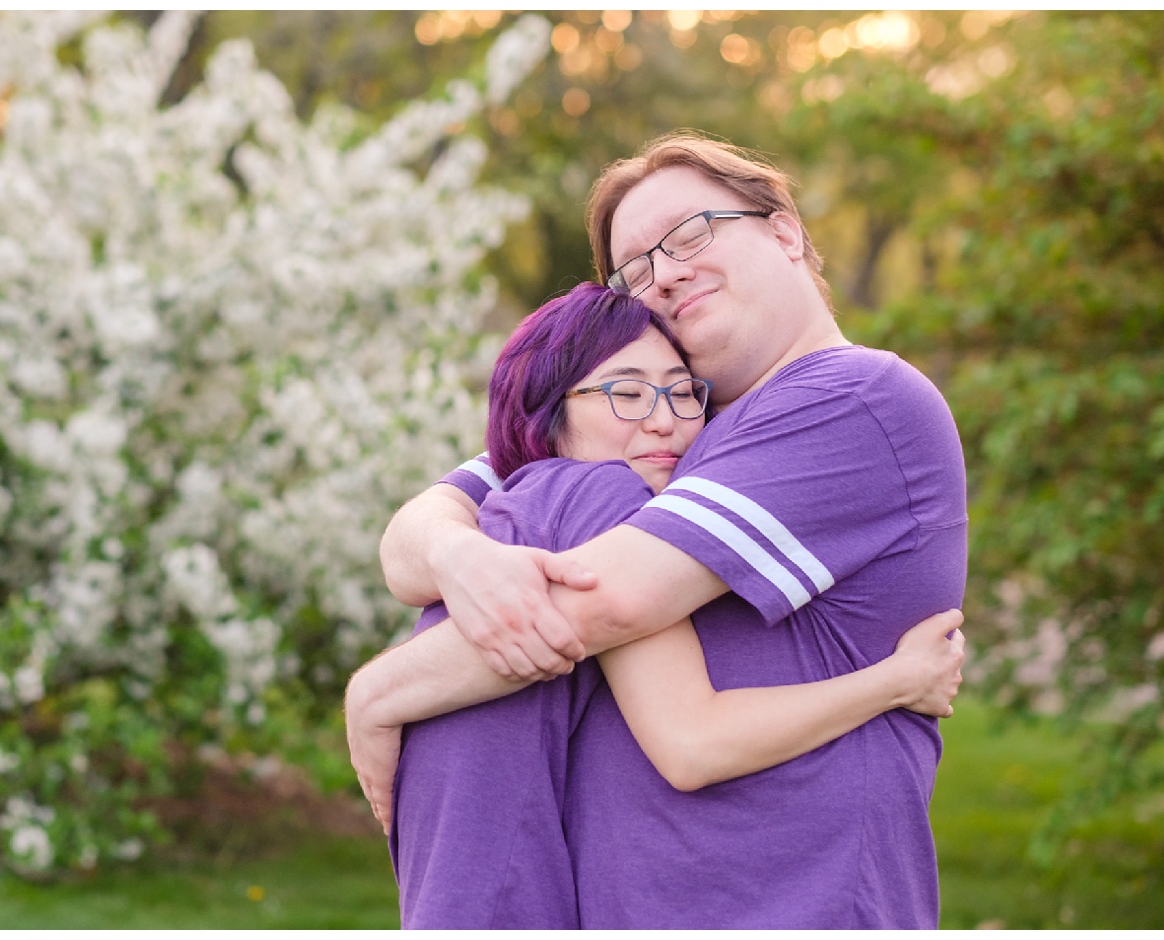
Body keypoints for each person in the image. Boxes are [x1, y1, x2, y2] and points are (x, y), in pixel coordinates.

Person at [361, 132, 968, 929]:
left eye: (690, 234)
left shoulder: (852, 398)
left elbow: (599, 602)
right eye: (635, 268)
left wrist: (377, 693)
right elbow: (423, 529)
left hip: (791, 906)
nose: (665, 274)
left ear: (785, 231)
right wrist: (455, 551)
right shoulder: (675, 422)